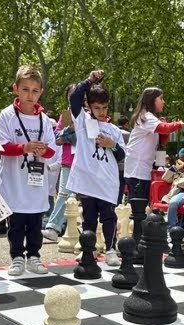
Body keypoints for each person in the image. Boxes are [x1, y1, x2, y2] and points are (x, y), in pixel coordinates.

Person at [0, 65, 56, 276]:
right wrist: (24, 147)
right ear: (16, 89)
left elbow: (52, 152)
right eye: (25, 89)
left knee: (35, 222)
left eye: (34, 91)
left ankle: (34, 256)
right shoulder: (6, 115)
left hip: (37, 181)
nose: (30, 95)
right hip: (14, 181)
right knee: (16, 223)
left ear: (41, 92)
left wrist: (42, 149)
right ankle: (17, 257)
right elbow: (0, 147)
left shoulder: (45, 120)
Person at [65, 71, 125, 257]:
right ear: (88, 106)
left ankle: (110, 250)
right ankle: (88, 250)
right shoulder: (82, 121)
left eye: (105, 108)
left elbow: (122, 155)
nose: (102, 112)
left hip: (107, 182)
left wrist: (112, 145)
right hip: (88, 181)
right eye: (97, 108)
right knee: (88, 219)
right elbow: (74, 97)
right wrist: (89, 81)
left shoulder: (114, 131)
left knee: (108, 217)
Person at [125, 88, 184, 210]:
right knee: (138, 208)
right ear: (152, 100)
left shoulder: (151, 118)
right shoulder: (145, 116)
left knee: (144, 206)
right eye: (161, 98)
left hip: (144, 169)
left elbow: (160, 146)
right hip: (137, 171)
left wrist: (160, 165)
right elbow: (164, 128)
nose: (164, 102)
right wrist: (178, 124)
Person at [43, 84, 77, 242]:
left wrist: (67, 136)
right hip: (67, 162)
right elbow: (56, 137)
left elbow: (85, 138)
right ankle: (53, 227)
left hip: (84, 162)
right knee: (63, 194)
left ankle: (66, 226)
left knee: (85, 199)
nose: (73, 97)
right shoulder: (65, 115)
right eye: (70, 94)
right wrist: (70, 131)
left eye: (76, 94)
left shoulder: (90, 113)